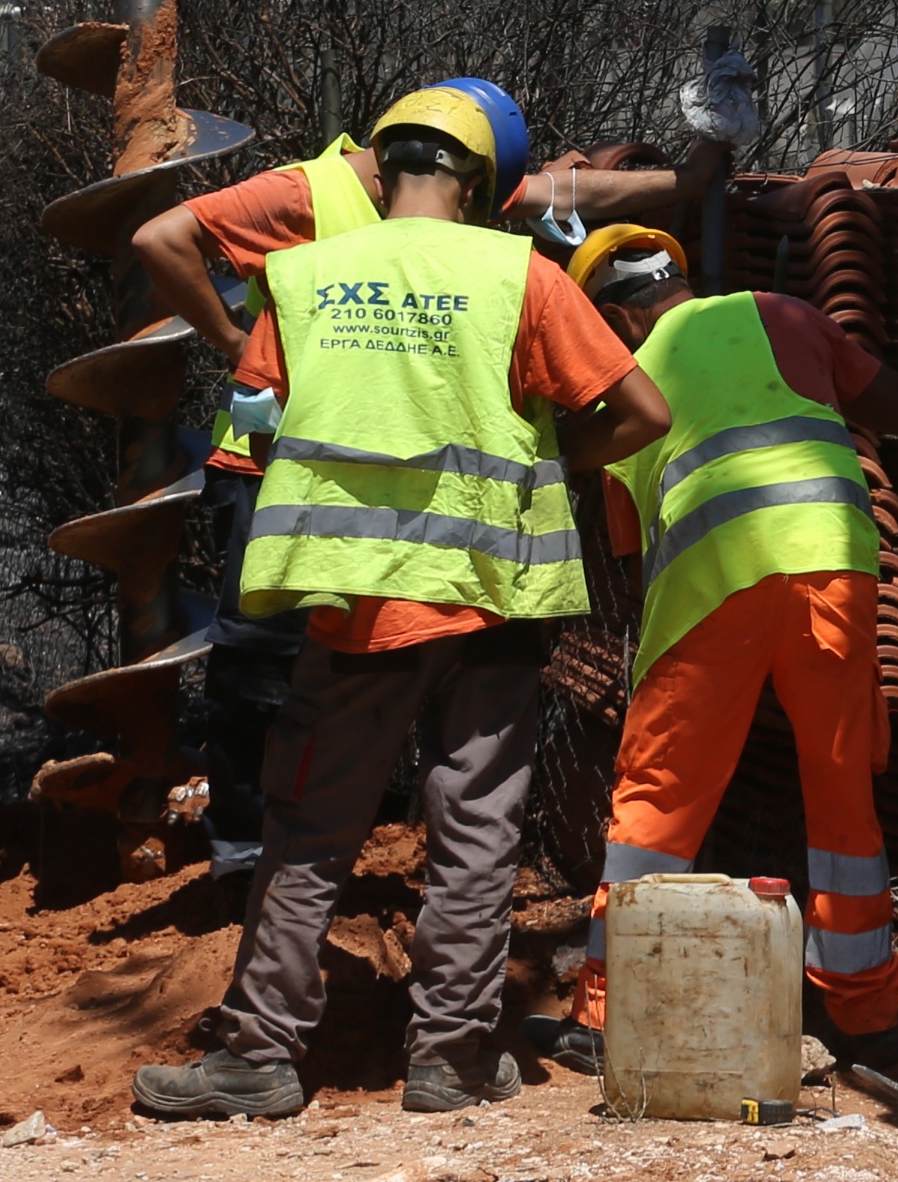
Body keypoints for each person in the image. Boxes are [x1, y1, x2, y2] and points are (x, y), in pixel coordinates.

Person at [131, 87, 674, 1124]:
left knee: (309, 827)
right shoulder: (524, 277)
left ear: (380, 168)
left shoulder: (303, 278)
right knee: (476, 827)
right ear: (477, 186)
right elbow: (640, 410)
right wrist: (559, 458)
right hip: (500, 598)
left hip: (362, 606)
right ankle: (452, 1058)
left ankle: (260, 1055)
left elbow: (267, 412)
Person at [542, 222, 898, 1070]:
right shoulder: (783, 313)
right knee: (841, 790)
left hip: (713, 584)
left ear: (620, 319)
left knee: (660, 793)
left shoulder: (622, 385)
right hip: (834, 562)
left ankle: (605, 1014)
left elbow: (633, 553)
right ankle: (865, 1017)